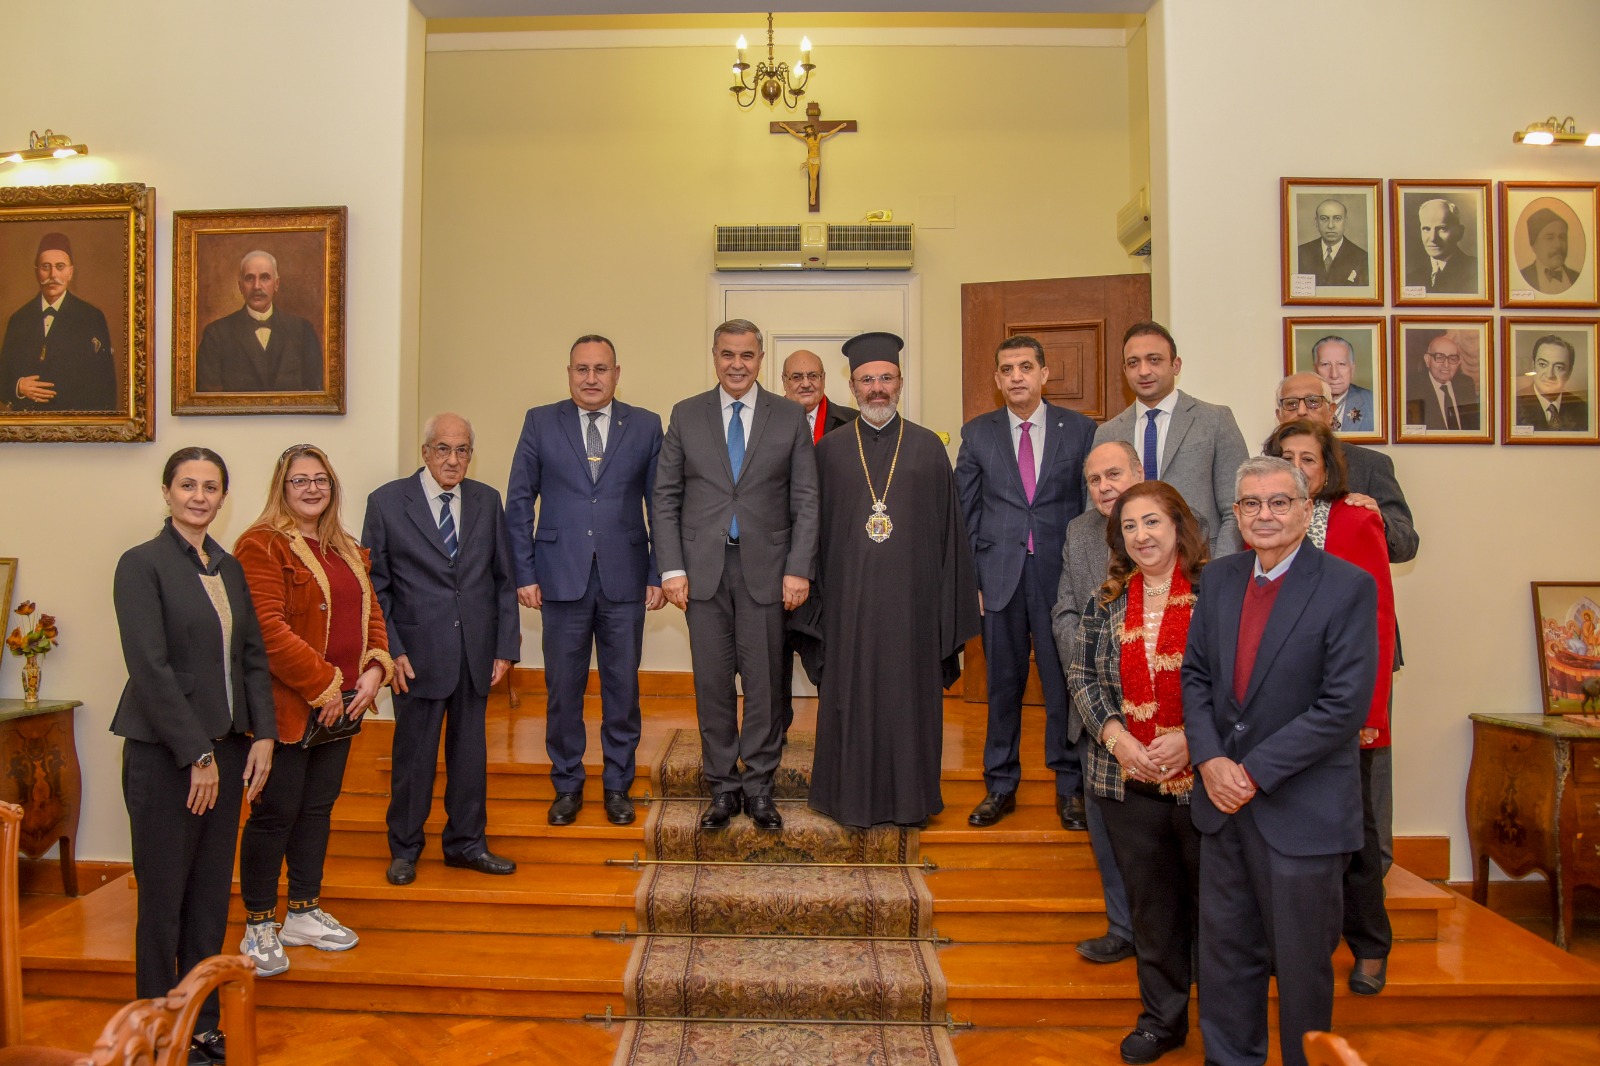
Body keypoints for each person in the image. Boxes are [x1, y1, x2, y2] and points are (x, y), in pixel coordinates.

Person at [1182, 456, 1379, 1066]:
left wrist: (1252, 772)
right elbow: (1196, 678)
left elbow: (1342, 707)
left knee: (1301, 970)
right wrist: (1210, 760)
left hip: (1302, 812)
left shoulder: (1347, 586)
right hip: (1222, 808)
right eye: (1251, 503)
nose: (1263, 515)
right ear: (1237, 513)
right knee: (1225, 962)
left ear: (1305, 509)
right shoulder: (1219, 579)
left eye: (1278, 502)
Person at [112, 447, 277, 1066]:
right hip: (168, 759)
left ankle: (202, 1026)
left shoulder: (228, 568)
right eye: (188, 485)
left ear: (222, 497)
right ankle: (157, 1032)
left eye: (211, 487)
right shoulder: (141, 564)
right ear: (167, 492)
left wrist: (263, 734)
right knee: (163, 904)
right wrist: (196, 756)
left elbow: (252, 657)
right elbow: (149, 669)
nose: (199, 497)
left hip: (227, 753)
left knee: (209, 899)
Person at [808, 331, 980, 828]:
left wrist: (947, 607)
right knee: (850, 699)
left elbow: (950, 536)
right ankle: (846, 799)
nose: (877, 388)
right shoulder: (830, 451)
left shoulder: (928, 448)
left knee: (909, 703)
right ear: (852, 387)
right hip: (849, 609)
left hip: (913, 610)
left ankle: (911, 801)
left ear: (900, 382)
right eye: (867, 380)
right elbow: (814, 534)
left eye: (886, 378)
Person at [234, 444, 394, 976]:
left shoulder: (344, 546)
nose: (311, 488)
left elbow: (372, 614)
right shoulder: (261, 544)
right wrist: (325, 685)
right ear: (282, 487)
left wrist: (374, 670)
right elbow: (266, 628)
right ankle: (259, 923)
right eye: (299, 480)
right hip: (288, 710)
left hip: (342, 709)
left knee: (317, 811)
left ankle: (302, 911)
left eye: (320, 479)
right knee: (275, 814)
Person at [653, 319, 818, 831]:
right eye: (728, 354)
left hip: (767, 570)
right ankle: (723, 787)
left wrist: (798, 568)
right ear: (714, 357)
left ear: (760, 359)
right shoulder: (686, 414)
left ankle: (760, 786)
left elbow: (806, 499)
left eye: (747, 355)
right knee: (712, 683)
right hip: (702, 572)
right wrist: (671, 568)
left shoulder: (788, 416)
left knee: (765, 683)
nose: (737, 364)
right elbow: (665, 497)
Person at [1068, 481, 1209, 1065]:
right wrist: (1119, 740)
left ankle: (1224, 1025)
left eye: (1152, 522)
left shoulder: (1215, 594)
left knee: (1215, 913)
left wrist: (1194, 740)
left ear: (1178, 526)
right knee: (1152, 913)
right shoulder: (1106, 600)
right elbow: (1082, 676)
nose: (1141, 535)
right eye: (1129, 526)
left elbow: (1235, 681)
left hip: (1206, 782)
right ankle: (1161, 1022)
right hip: (1125, 780)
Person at [505, 335, 665, 828]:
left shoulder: (645, 425)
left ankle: (618, 786)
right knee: (562, 690)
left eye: (600, 369)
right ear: (569, 373)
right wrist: (524, 572)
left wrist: (658, 572)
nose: (591, 378)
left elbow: (661, 505)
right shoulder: (539, 421)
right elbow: (519, 501)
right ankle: (567, 785)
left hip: (626, 578)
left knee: (622, 689)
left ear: (617, 373)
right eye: (582, 369)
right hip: (558, 577)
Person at [1263, 420, 1397, 997]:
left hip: (1342, 711)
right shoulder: (1260, 525)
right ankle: (1298, 945)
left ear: (1326, 469)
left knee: (1355, 835)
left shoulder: (1357, 520)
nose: (1297, 467)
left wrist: (1369, 713)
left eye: (1308, 459)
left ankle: (1370, 944)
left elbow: (1379, 624)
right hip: (1277, 712)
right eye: (1286, 457)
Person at [364, 413, 521, 885]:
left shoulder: (487, 500)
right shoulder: (387, 502)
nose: (453, 460)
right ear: (425, 451)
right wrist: (391, 649)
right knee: (414, 759)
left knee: (470, 758)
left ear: (471, 455)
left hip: (475, 652)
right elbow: (375, 587)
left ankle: (467, 844)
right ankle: (405, 848)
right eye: (443, 449)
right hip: (415, 656)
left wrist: (504, 648)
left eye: (462, 450)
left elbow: (503, 579)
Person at [1272, 372, 1417, 880]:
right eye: (1290, 403)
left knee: (1365, 771)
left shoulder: (1370, 468)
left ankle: (1371, 873)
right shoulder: (1269, 481)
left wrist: (1376, 516)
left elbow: (1405, 544)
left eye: (1312, 400)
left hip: (1361, 652)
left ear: (1332, 408)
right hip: (1288, 657)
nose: (1301, 409)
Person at [955, 335, 1096, 829]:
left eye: (1025, 367)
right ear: (997, 379)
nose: (1016, 376)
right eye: (1007, 369)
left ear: (1044, 374)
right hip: (999, 579)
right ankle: (1000, 785)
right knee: (1002, 686)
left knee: (1063, 686)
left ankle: (1070, 787)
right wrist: (970, 581)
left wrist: (1088, 578)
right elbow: (965, 512)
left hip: (1061, 580)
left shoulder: (1080, 430)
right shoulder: (978, 434)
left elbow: (1090, 510)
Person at [1050, 440, 1142, 965]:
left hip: (1164, 713)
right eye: (1095, 479)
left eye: (1114, 475)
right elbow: (1064, 611)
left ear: (1138, 474)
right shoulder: (1080, 531)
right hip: (1097, 706)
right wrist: (1091, 667)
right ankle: (1123, 928)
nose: (1105, 487)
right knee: (1105, 828)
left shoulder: (1176, 520)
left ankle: (1177, 938)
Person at [1094, 321, 1249, 555]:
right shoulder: (1108, 433)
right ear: (1124, 370)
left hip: (1200, 560)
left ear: (1176, 365)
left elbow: (1236, 507)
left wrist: (1219, 569)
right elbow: (1096, 515)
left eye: (1154, 359)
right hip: (1129, 564)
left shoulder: (1215, 420)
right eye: (1133, 363)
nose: (1143, 371)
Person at [777, 348, 856, 736]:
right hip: (776, 560)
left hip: (832, 563)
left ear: (825, 379)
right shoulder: (767, 423)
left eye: (814, 375)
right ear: (784, 383)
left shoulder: (852, 424)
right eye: (797, 376)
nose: (806, 383)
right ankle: (773, 736)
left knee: (830, 654)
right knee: (773, 655)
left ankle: (836, 738)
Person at [0, 231, 118, 412]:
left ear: (70, 272)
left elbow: (106, 387)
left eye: (60, 267)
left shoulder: (91, 317)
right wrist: (18, 387)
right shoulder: (19, 319)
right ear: (36, 272)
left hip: (75, 423)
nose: (52, 274)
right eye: (45, 267)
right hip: (28, 424)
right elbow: (3, 377)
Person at [195, 250, 324, 393]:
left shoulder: (303, 330)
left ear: (276, 284)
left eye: (265, 277)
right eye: (249, 278)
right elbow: (208, 396)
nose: (257, 286)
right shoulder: (216, 334)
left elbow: (316, 391)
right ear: (240, 286)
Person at [1514, 334, 1590, 432]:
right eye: (1543, 364)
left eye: (1559, 367)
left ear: (1569, 372)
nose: (1550, 375)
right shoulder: (1513, 405)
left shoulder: (1582, 409)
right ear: (1533, 366)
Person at [1405, 334, 1479, 430]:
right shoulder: (1411, 388)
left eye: (1452, 359)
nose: (1446, 365)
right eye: (1439, 357)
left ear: (1459, 363)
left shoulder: (1466, 384)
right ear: (1427, 360)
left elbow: (1473, 427)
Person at [1403, 198, 1477, 294]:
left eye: (1442, 229)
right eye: (1426, 229)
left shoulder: (1477, 272)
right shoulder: (1411, 279)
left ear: (1459, 232)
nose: (1433, 238)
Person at [1295, 198, 1368, 286]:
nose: (1330, 226)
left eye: (1337, 218)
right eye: (1324, 219)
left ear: (1345, 222)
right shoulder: (1300, 253)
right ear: (1316, 222)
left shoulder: (1363, 258)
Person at [1311, 336, 1374, 432]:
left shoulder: (1373, 403)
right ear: (1315, 370)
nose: (1334, 375)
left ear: (1352, 369)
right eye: (1325, 364)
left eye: (1341, 364)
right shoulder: (1302, 405)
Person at [1519, 208, 1579, 295]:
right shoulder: (1523, 277)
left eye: (1562, 237)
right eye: (1549, 238)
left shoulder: (1577, 277)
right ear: (1534, 245)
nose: (1558, 245)